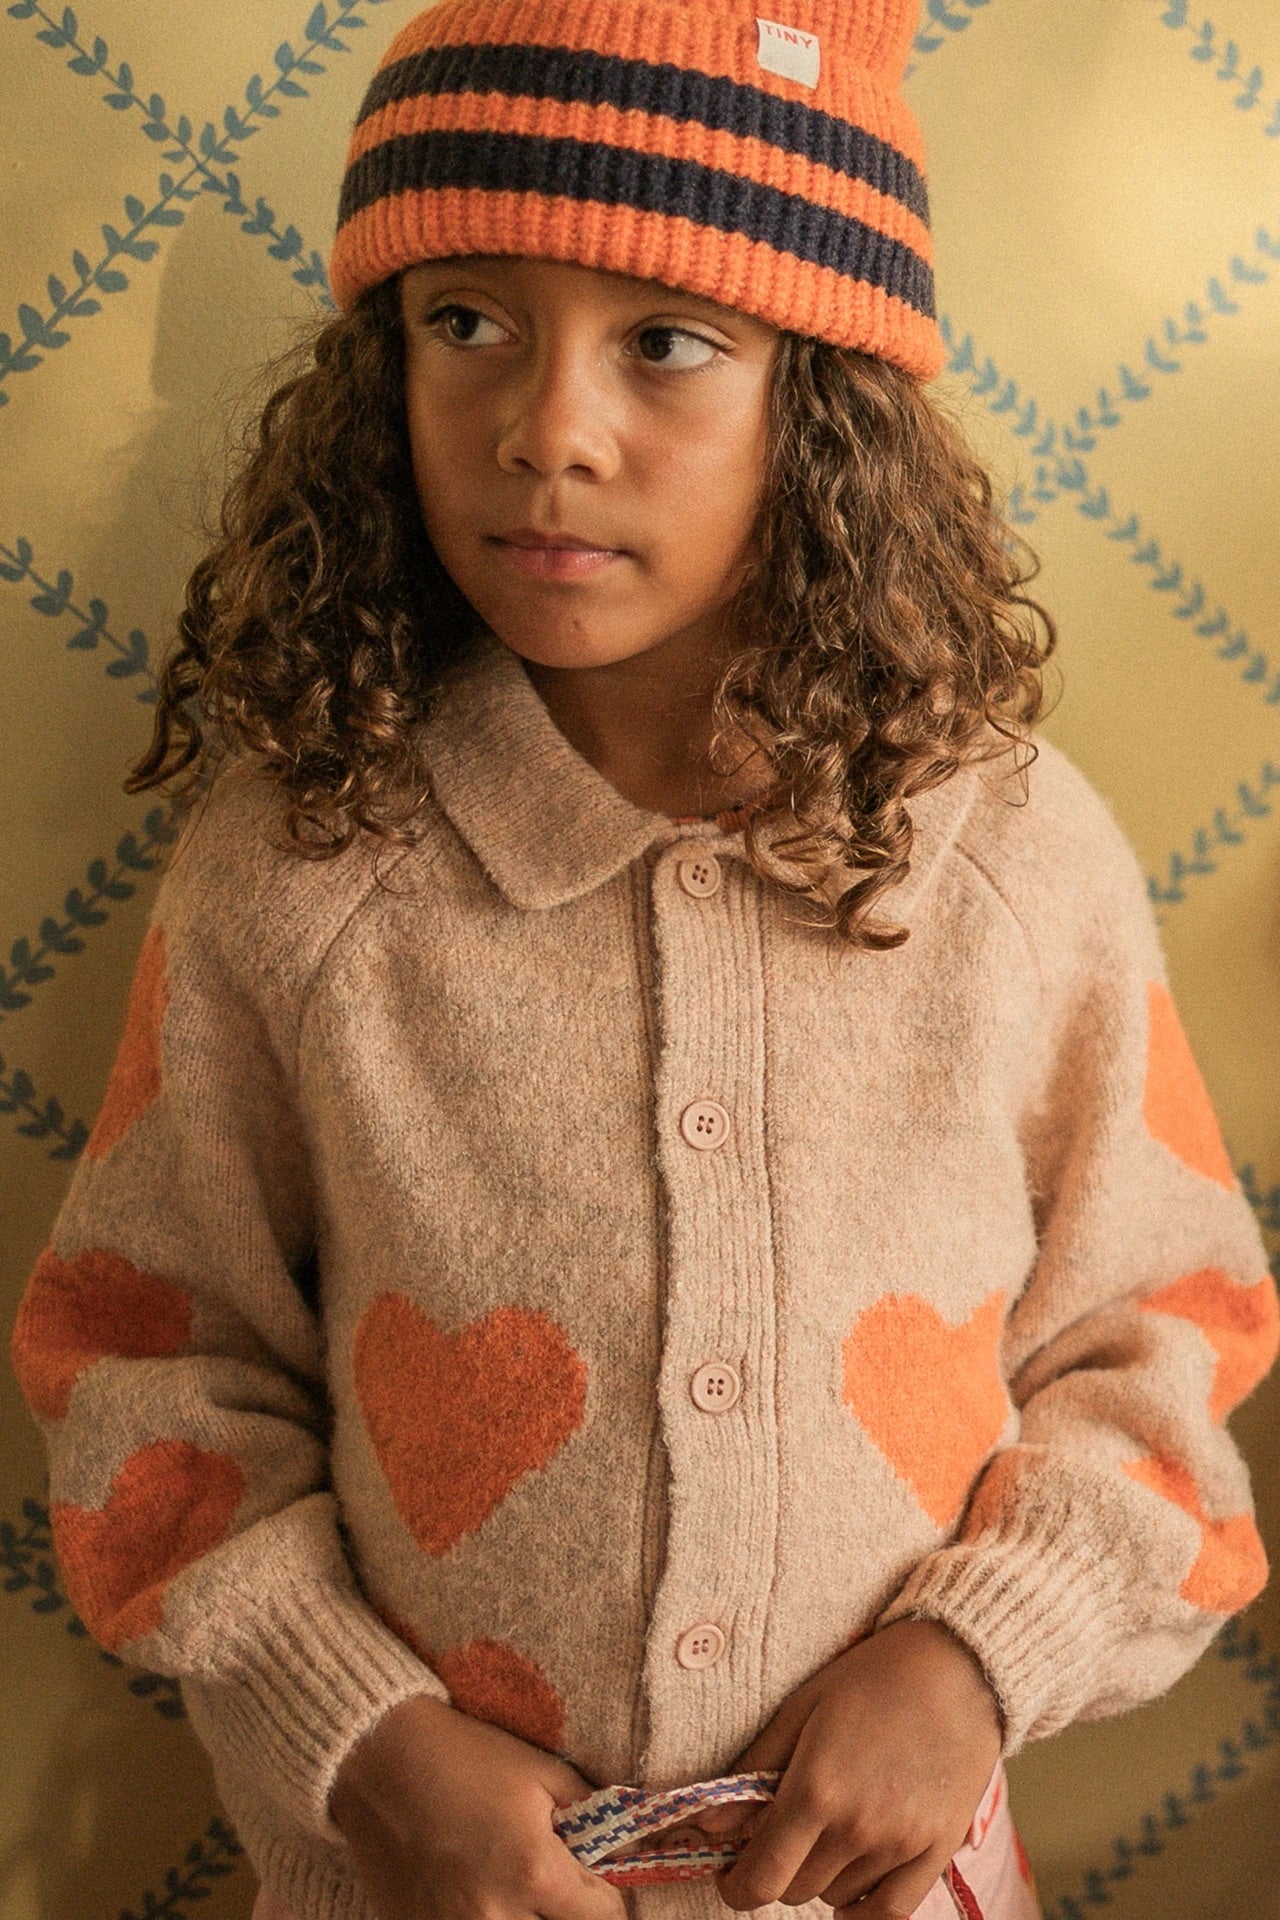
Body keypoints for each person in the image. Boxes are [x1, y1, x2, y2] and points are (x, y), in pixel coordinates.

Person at [10, 1, 1279, 1917]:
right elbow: (149, 1365)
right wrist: (364, 1739)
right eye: (465, 321)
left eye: (668, 342)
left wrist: (975, 1657)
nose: (546, 429)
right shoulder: (301, 865)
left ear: (824, 405)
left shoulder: (1011, 861)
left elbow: (1161, 1334)